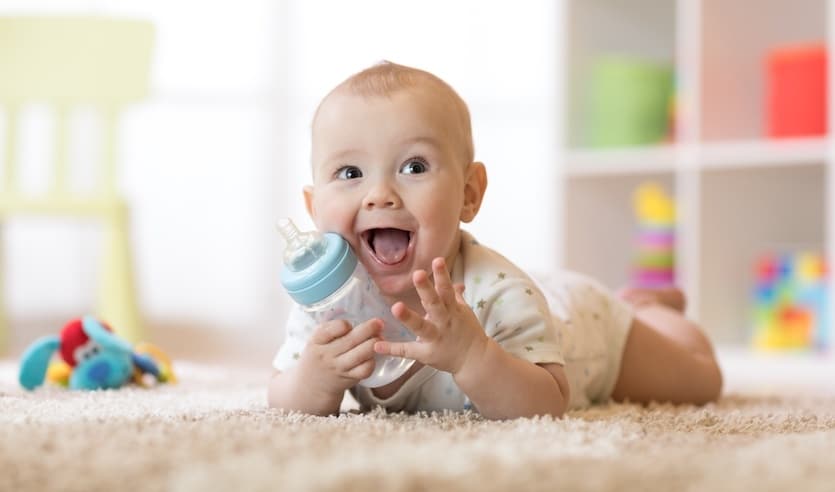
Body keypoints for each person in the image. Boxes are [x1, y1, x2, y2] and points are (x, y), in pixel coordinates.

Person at [267, 61, 722, 419]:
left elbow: (547, 403)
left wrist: (473, 356)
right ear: (313, 208)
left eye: (414, 167)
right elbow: (283, 393)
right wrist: (313, 379)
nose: (380, 195)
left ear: (469, 194)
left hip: (585, 327)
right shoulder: (330, 304)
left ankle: (647, 309)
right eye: (349, 173)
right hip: (545, 298)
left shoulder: (497, 292)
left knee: (701, 381)